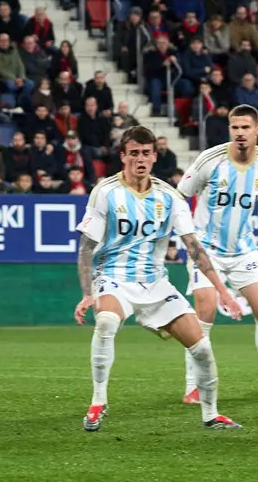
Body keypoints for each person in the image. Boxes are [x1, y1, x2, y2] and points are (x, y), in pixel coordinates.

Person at [74, 126, 244, 432]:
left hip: (156, 283)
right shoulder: (106, 192)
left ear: (155, 156)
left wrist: (224, 292)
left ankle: (211, 414)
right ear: (123, 156)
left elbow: (194, 247)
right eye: (134, 153)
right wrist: (88, 294)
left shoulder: (170, 197)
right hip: (114, 278)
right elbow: (86, 247)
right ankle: (98, 402)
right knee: (107, 322)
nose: (140, 159)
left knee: (202, 348)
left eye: (146, 153)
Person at [176, 105, 258, 404]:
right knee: (206, 309)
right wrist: (189, 238)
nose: (240, 133)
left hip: (243, 250)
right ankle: (193, 385)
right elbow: (180, 196)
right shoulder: (210, 159)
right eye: (235, 128)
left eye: (245, 128)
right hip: (206, 248)